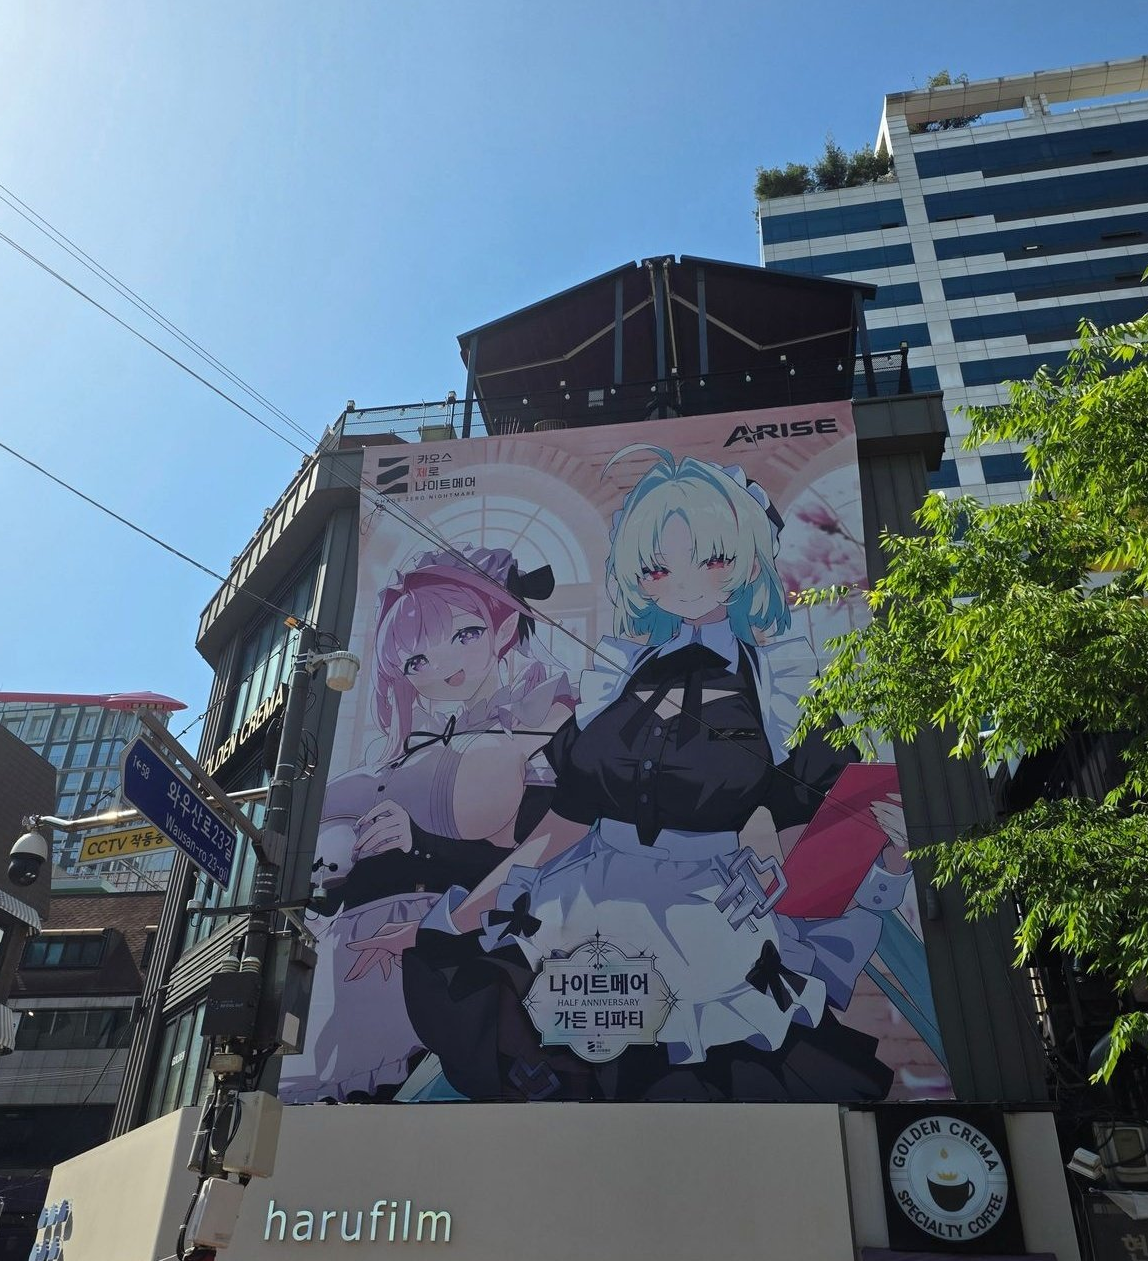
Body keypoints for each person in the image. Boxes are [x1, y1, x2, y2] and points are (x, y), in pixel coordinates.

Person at [351, 449, 912, 1102]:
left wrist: (799, 868)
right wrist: (452, 920)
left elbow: (813, 826)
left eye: (712, 558)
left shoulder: (779, 685)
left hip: (706, 926)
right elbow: (559, 829)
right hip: (583, 908)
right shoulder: (616, 679)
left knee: (690, 1090)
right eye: (658, 567)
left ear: (747, 559)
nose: (685, 583)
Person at [278, 545, 572, 1103]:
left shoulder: (540, 724)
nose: (440, 667)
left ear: (502, 628)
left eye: (463, 635)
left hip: (448, 951)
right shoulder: (408, 745)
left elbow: (544, 860)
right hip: (351, 959)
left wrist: (422, 845)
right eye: (415, 662)